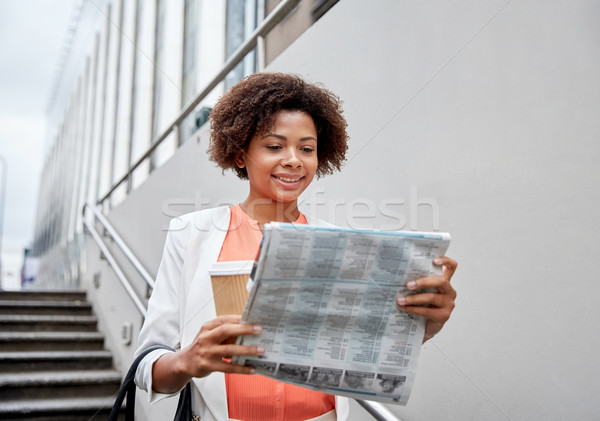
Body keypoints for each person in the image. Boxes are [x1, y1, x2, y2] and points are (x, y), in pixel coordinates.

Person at [134, 72, 458, 421]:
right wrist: (187, 360)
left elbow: (359, 351)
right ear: (241, 155)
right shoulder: (191, 234)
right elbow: (147, 368)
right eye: (274, 147)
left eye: (307, 148)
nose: (293, 160)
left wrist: (421, 327)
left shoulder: (339, 245)